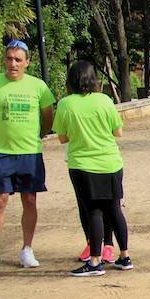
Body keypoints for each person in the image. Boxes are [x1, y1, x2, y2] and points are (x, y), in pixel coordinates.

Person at [0, 38, 55, 274]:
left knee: (30, 200)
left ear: (27, 62)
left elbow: (48, 117)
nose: (13, 63)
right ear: (4, 60)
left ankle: (27, 249)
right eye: (9, 59)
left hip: (30, 153)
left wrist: (39, 134)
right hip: (1, 154)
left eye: (18, 60)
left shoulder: (38, 86)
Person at [52, 60, 131, 277]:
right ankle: (124, 256)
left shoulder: (66, 104)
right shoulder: (105, 100)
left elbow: (62, 137)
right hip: (111, 162)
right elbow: (118, 132)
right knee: (114, 209)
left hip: (83, 165)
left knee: (93, 210)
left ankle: (95, 261)